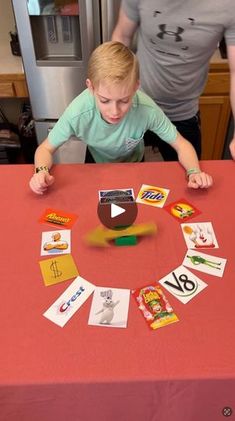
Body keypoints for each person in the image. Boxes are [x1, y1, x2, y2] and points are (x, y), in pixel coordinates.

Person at [29, 41, 212, 195]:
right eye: (104, 100)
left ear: (135, 88)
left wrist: (194, 171)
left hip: (135, 164)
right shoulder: (78, 113)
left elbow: (182, 145)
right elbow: (44, 149)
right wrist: (41, 172)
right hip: (96, 164)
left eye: (124, 100)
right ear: (91, 88)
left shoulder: (147, 109)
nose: (114, 111)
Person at [112, 1, 235, 161]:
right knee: (126, 177)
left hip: (183, 114)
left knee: (190, 178)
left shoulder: (228, 5)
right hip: (136, 107)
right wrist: (113, 93)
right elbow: (122, 36)